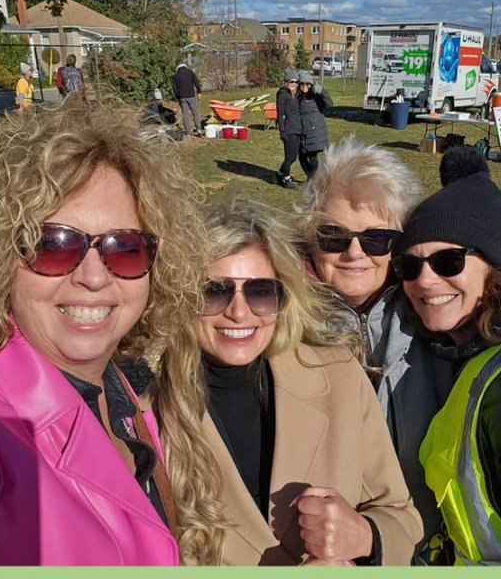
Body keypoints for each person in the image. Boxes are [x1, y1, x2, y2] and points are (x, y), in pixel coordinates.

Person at [0, 100, 216, 565]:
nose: (93, 276)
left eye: (124, 248)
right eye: (55, 244)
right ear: (2, 255)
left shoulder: (121, 384)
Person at [158, 201, 421, 565]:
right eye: (215, 291)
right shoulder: (147, 411)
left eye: (261, 291)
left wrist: (365, 537)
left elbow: (401, 516)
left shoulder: (340, 376)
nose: (239, 311)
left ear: (285, 298)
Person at [299, 137, 454, 558]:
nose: (353, 252)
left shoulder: (437, 314)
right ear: (310, 239)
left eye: (375, 239)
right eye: (334, 236)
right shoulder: (274, 319)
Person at [394, 149, 501, 564]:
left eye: (449, 260)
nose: (425, 281)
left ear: (494, 267)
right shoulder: (474, 351)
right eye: (409, 266)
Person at [295, 70, 333, 179]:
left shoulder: (316, 96)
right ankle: (312, 178)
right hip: (303, 132)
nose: (304, 86)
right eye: (302, 84)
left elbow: (329, 104)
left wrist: (322, 92)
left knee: (312, 157)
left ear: (311, 84)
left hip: (315, 132)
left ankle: (314, 179)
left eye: (307, 84)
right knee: (302, 158)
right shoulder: (298, 97)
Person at [272, 68, 300, 189]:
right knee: (290, 157)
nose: (293, 84)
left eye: (295, 82)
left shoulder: (294, 95)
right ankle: (286, 179)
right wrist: (282, 131)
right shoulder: (283, 94)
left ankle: (279, 174)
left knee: (293, 156)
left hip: (297, 129)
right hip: (288, 130)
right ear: (286, 82)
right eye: (291, 81)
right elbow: (280, 113)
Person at [172, 60, 202, 138]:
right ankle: (199, 129)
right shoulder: (190, 72)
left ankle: (188, 132)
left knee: (185, 115)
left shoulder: (176, 75)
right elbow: (196, 82)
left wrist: (178, 98)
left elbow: (175, 89)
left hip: (182, 97)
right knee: (195, 113)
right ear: (184, 65)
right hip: (191, 96)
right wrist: (199, 92)